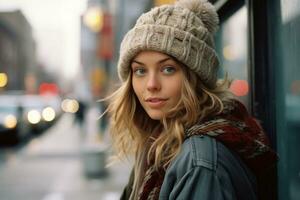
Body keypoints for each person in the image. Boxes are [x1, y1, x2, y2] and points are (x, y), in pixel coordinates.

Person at [105, 0, 278, 199]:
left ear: (195, 77)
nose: (151, 84)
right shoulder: (158, 141)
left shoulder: (199, 163)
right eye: (140, 71)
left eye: (168, 69)